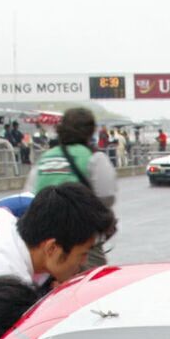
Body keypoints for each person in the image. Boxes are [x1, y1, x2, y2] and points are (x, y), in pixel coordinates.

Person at [31, 107, 118, 268]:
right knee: (92, 280)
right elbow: (107, 196)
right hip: (83, 242)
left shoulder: (45, 158)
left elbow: (29, 194)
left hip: (47, 244)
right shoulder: (94, 157)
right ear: (90, 131)